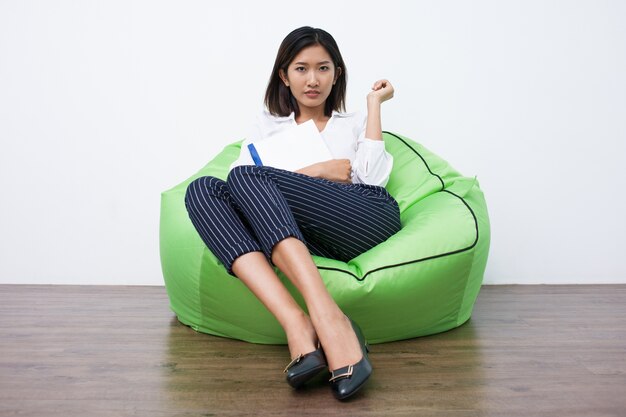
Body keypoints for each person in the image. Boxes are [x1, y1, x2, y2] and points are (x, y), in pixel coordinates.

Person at [184, 26, 400, 400]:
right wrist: (319, 171)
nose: (312, 80)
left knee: (248, 178)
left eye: (323, 68)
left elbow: (375, 179)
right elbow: (240, 186)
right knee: (202, 190)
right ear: (284, 76)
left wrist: (373, 105)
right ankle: (296, 324)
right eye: (301, 69)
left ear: (337, 75)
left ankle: (332, 322)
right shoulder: (266, 128)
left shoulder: (352, 123)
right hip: (302, 233)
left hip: (364, 217)